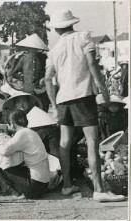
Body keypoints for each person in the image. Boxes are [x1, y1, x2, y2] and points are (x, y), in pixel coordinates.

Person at [45, 9, 125, 202]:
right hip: (83, 96)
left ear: (56, 29)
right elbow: (92, 64)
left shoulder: (54, 50)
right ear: (73, 23)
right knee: (92, 141)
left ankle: (66, 186)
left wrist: (54, 105)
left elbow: (48, 79)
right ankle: (98, 189)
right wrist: (104, 90)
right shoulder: (83, 37)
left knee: (65, 142)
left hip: (63, 99)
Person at [0, 109, 51, 199]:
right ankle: (16, 190)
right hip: (43, 184)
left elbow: (5, 150)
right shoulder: (31, 132)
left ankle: (12, 191)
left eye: (8, 124)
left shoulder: (22, 134)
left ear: (12, 123)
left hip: (34, 186)